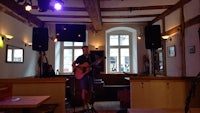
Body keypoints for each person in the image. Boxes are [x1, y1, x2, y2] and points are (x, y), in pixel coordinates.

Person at [72, 46, 95, 111]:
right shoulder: (80, 57)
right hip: (83, 76)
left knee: (91, 90)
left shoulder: (91, 57)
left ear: (88, 50)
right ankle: (85, 104)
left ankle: (87, 102)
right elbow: (74, 63)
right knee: (84, 90)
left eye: (86, 50)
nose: (85, 51)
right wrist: (76, 68)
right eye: (84, 50)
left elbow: (94, 65)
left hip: (90, 75)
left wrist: (93, 66)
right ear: (82, 51)